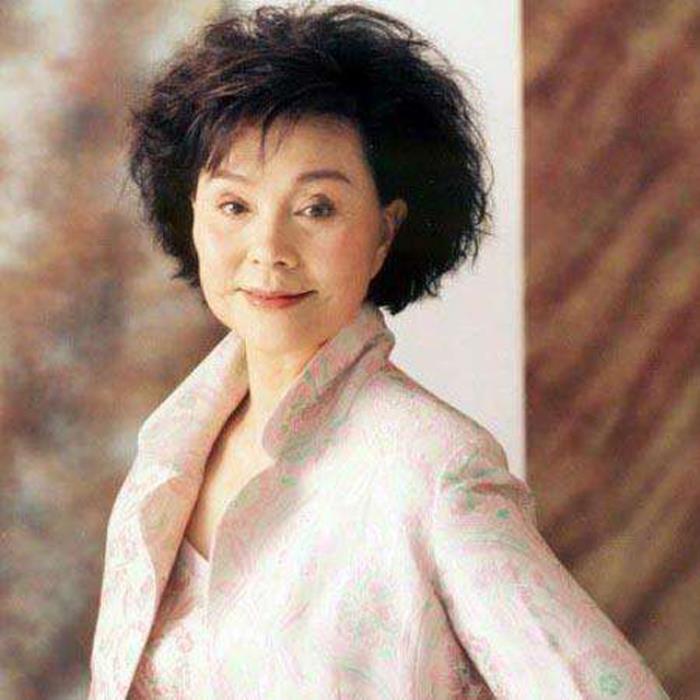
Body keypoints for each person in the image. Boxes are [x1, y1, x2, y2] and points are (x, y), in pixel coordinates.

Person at [88, 2, 670, 698]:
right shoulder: (168, 450)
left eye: (317, 208)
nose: (269, 250)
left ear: (385, 232)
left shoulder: (434, 470)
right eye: (234, 206)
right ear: (192, 214)